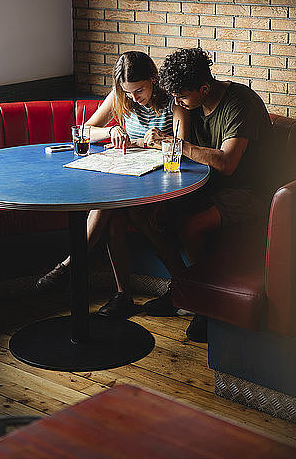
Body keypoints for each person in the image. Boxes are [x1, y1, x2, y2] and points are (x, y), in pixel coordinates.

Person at [130, 47, 275, 341]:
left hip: (252, 192)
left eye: (181, 96)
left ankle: (204, 305)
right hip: (207, 187)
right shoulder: (193, 104)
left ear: (204, 88)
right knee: (140, 211)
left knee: (192, 225)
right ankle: (185, 290)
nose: (177, 102)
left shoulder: (240, 103)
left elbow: (227, 163)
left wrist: (174, 144)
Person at [36, 51, 188, 318]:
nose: (133, 98)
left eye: (138, 90)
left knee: (116, 204)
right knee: (113, 208)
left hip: (161, 182)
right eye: (127, 92)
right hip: (127, 177)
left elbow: (180, 145)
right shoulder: (119, 97)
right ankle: (122, 295)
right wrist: (110, 131)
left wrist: (156, 139)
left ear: (154, 79)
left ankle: (72, 265)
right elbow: (82, 131)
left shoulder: (172, 101)